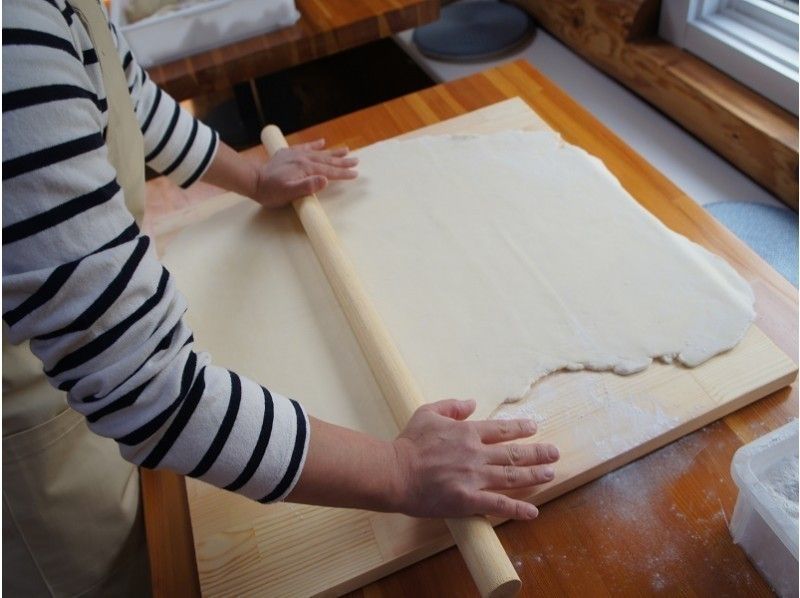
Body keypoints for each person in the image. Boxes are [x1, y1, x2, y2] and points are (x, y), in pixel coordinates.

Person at [2, 0, 561, 595]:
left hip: (86, 371)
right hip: (34, 425)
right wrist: (401, 470)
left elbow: (122, 96)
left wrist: (253, 177)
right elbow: (144, 385)